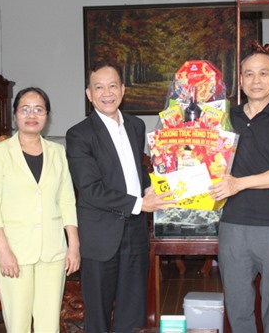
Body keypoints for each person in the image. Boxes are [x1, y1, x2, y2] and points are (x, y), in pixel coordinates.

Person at [65, 62, 176, 333]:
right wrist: (141, 203)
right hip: (101, 237)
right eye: (98, 87)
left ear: (123, 90)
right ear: (89, 94)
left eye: (113, 85)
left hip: (135, 234)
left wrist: (155, 187)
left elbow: (136, 171)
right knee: (99, 317)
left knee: (132, 312)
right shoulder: (79, 134)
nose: (107, 93)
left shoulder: (136, 126)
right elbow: (90, 189)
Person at [209, 52, 269, 333]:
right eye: (249, 74)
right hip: (233, 226)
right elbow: (202, 158)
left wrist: (239, 183)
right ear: (240, 80)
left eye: (263, 73)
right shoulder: (226, 117)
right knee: (238, 311)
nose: (256, 80)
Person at [0, 87, 80, 333]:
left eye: (38, 109)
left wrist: (74, 246)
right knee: (18, 324)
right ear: (15, 114)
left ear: (47, 115)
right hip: (13, 251)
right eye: (25, 109)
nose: (31, 115)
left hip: (53, 251)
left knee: (49, 324)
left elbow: (67, 199)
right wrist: (4, 251)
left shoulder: (57, 152)